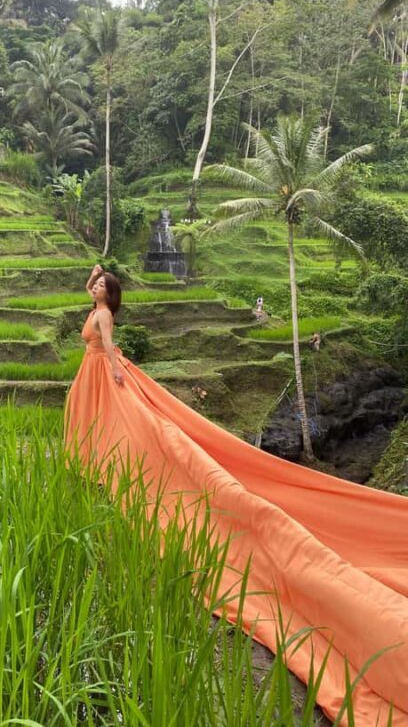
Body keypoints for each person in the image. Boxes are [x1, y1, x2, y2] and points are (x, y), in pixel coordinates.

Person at [65, 264, 408, 727]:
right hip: (94, 373)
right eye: (98, 287)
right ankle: (94, 456)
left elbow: (107, 347)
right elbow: (91, 295)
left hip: (106, 372)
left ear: (112, 295)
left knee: (150, 434)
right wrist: (96, 272)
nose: (98, 290)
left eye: (104, 287)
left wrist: (116, 374)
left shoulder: (103, 316)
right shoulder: (95, 302)